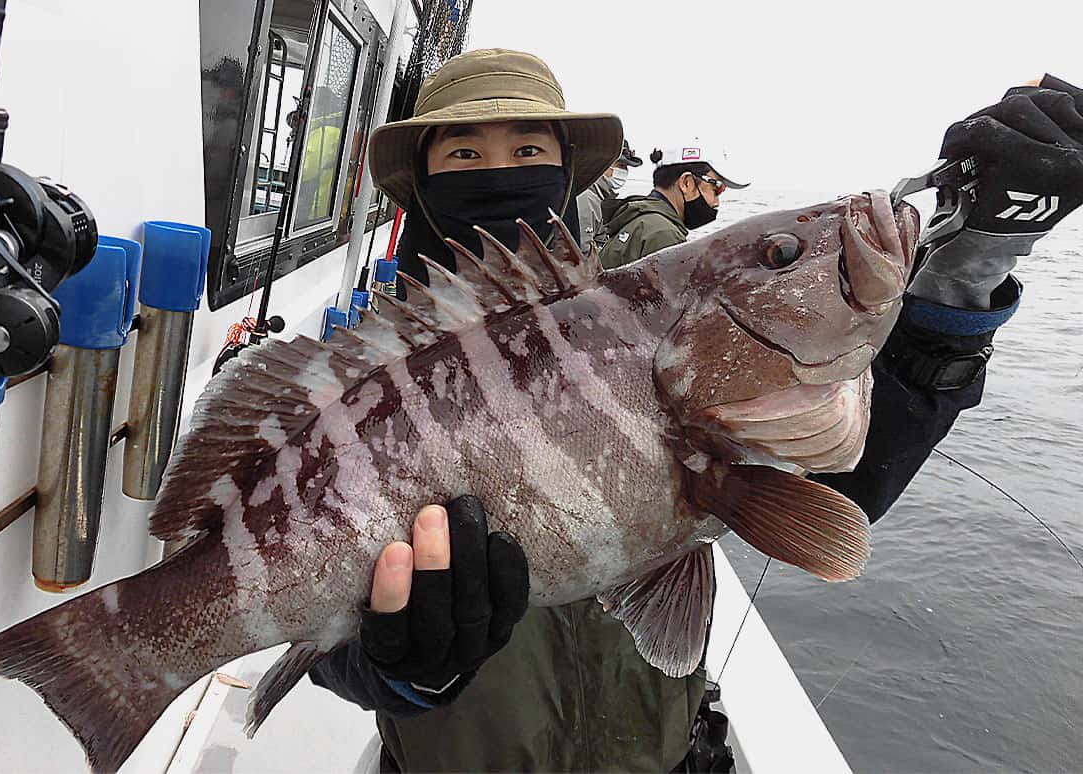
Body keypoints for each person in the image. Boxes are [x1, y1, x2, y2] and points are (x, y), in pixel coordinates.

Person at [309, 48, 1083, 772]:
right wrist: (395, 668)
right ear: (421, 177)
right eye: (465, 154)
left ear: (566, 172)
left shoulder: (643, 311)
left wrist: (973, 262)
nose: (501, 171)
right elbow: (293, 603)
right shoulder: (365, 383)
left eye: (529, 149)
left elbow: (846, 494)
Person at [599, 140, 750, 269]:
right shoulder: (663, 234)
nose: (716, 203)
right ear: (687, 183)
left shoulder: (640, 219)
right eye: (717, 189)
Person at [576, 139, 642, 254]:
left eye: (625, 167)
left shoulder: (602, 199)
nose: (623, 171)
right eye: (620, 165)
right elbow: (583, 252)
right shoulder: (586, 198)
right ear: (601, 164)